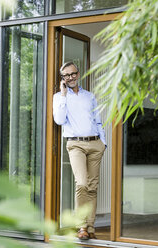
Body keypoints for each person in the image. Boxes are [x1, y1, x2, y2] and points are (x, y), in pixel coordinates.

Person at [53, 61, 106, 240]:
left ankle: (90, 226)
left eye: (73, 73)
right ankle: (81, 226)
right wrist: (62, 94)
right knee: (82, 184)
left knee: (92, 187)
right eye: (66, 75)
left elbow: (98, 120)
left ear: (78, 73)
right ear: (62, 79)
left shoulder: (89, 96)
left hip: (95, 144)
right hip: (75, 144)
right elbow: (59, 120)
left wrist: (103, 142)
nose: (70, 77)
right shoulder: (59, 97)